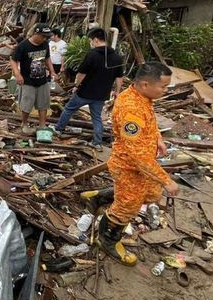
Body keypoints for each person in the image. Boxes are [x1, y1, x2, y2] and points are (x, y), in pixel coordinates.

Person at [97, 61, 179, 265]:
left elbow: (150, 122)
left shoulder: (144, 97)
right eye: (163, 87)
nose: (165, 91)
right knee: (127, 206)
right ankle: (107, 240)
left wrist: (158, 138)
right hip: (128, 165)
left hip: (140, 166)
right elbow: (138, 156)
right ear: (145, 84)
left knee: (149, 194)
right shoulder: (131, 109)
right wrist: (166, 180)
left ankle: (100, 197)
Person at [53, 28, 124, 150]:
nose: (91, 43)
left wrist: (76, 86)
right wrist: (117, 91)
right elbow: (119, 77)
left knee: (69, 109)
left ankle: (58, 129)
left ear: (96, 40)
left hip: (85, 92)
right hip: (102, 95)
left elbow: (81, 73)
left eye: (91, 40)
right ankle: (97, 143)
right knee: (96, 117)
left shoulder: (92, 54)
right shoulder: (116, 57)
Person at [10, 23, 56, 133]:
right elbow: (13, 59)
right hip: (27, 81)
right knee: (27, 104)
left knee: (43, 104)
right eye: (43, 36)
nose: (44, 39)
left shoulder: (45, 44)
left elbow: (47, 58)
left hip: (42, 80)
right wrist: (17, 74)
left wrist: (52, 71)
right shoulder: (23, 46)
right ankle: (24, 123)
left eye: (46, 37)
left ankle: (42, 125)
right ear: (36, 33)